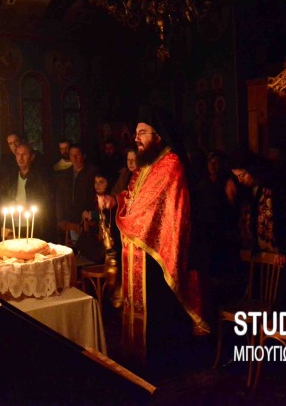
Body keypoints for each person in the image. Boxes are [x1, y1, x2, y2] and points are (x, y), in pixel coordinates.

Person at [97, 105, 209, 374]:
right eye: (136, 133)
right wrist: (114, 200)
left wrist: (128, 218)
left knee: (159, 311)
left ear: (158, 135)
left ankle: (160, 363)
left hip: (157, 253)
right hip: (138, 248)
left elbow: (151, 210)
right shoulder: (146, 166)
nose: (137, 138)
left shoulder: (171, 165)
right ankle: (136, 356)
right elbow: (133, 197)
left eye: (142, 133)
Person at [0, 142, 56, 242]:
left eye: (24, 154)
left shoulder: (41, 177)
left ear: (32, 157)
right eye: (18, 154)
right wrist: (11, 204)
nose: (20, 158)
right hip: (13, 223)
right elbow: (3, 197)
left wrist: (30, 207)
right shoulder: (9, 177)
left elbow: (47, 199)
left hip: (34, 224)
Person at [55, 143, 98, 244]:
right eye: (72, 155)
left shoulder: (93, 172)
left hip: (88, 217)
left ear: (83, 156)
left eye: (77, 155)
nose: (74, 158)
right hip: (71, 217)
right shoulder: (65, 175)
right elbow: (61, 197)